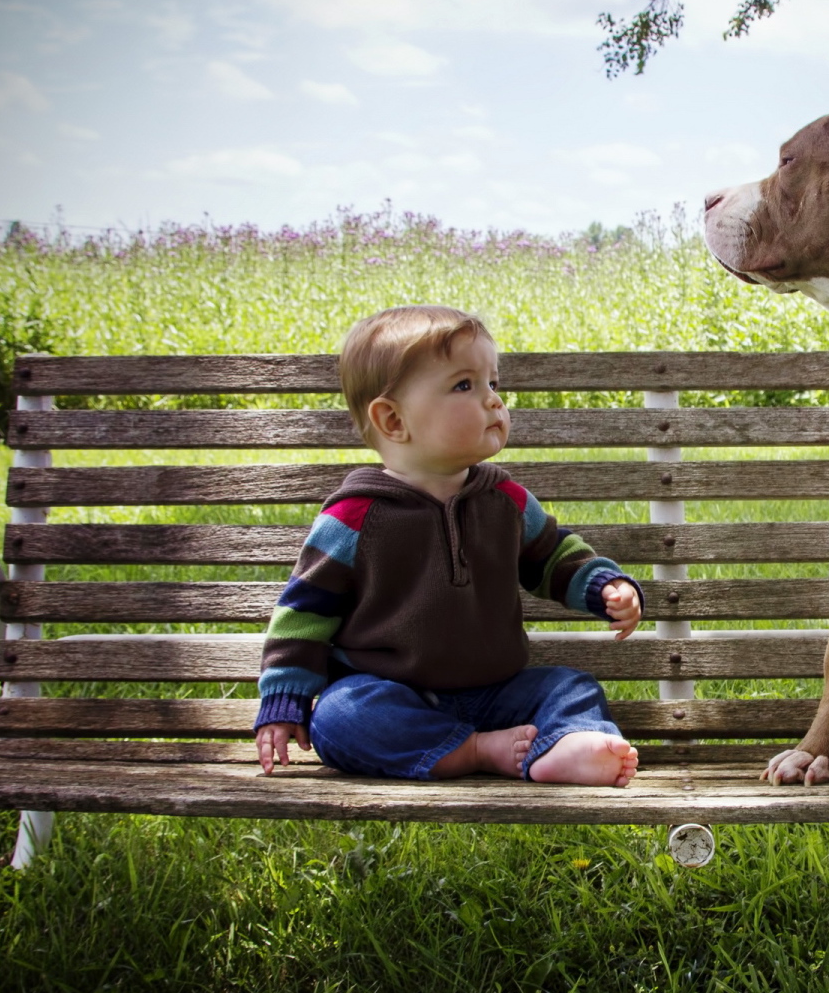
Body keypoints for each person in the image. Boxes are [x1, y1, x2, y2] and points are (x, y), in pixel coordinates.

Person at [252, 305, 644, 786]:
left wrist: (603, 585)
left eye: (493, 385)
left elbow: (553, 555)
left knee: (569, 686)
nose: (493, 402)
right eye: (465, 386)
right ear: (393, 420)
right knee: (339, 716)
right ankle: (478, 750)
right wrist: (285, 696)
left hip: (499, 693)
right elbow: (305, 610)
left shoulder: (505, 501)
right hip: (393, 694)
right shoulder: (354, 518)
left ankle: (566, 745)